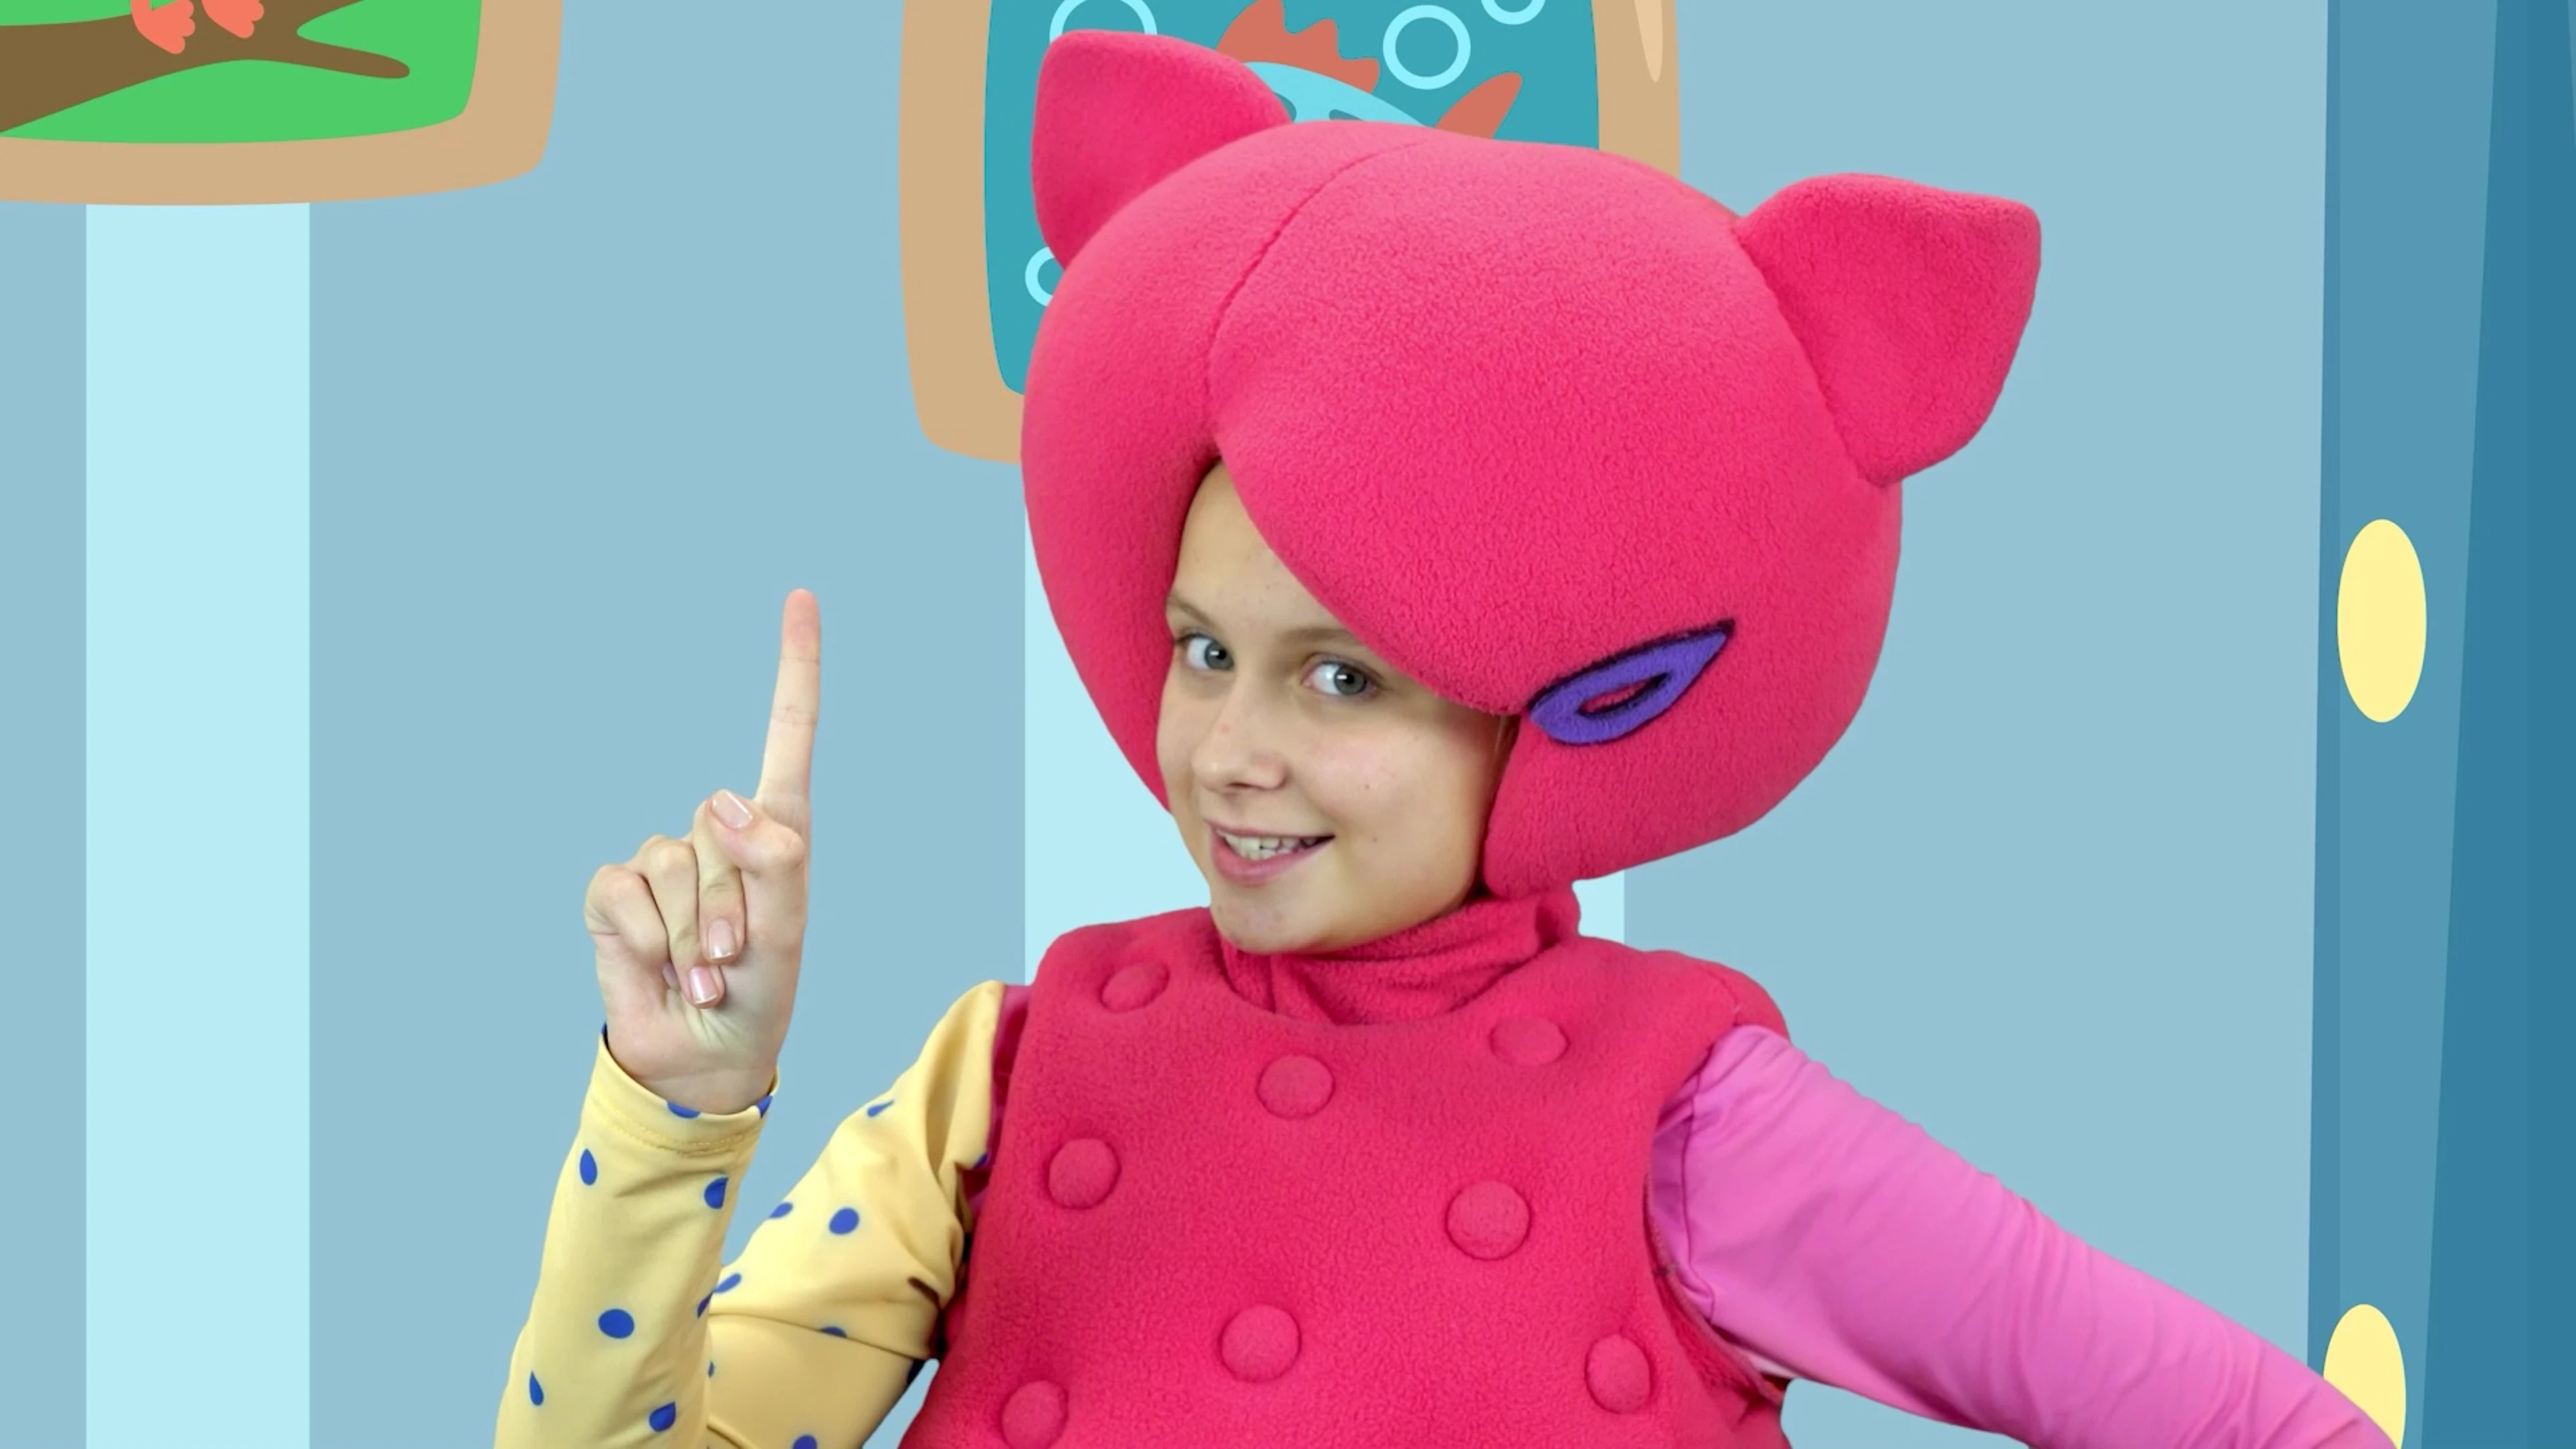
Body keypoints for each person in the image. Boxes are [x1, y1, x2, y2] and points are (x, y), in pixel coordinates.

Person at [494, 30, 2396, 1449]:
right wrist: (677, 1110)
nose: (1229, 752)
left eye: (1344, 679)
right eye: (1203, 651)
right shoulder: (996, 1081)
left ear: (1551, 701)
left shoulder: (1699, 1125)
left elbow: (2235, 1417)